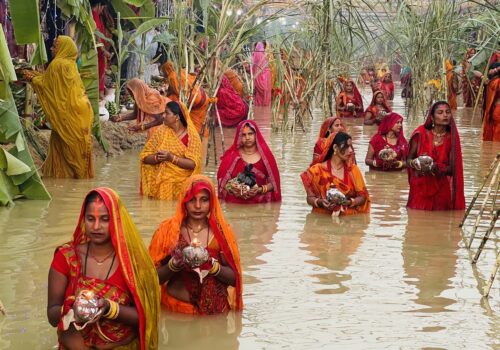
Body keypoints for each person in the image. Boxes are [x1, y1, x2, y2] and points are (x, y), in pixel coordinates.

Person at [47, 188, 160, 349]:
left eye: (105, 219)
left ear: (116, 220)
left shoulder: (134, 263)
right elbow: (52, 315)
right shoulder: (66, 257)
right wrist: (73, 309)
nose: (96, 226)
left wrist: (108, 308)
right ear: (83, 219)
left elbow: (146, 317)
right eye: (90, 218)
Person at [148, 175, 243, 315]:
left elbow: (235, 280)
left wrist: (211, 265)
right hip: (176, 312)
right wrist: (174, 265)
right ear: (183, 201)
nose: (198, 206)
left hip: (215, 315)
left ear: (212, 202)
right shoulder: (168, 231)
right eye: (192, 199)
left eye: (204, 200)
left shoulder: (222, 234)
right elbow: (150, 279)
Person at [25, 35, 93, 179]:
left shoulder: (57, 64)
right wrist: (35, 76)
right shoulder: (71, 63)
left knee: (70, 149)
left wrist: (31, 78)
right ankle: (71, 179)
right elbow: (51, 81)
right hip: (82, 110)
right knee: (73, 146)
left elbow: (47, 86)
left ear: (62, 48)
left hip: (70, 113)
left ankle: (75, 180)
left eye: (55, 46)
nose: (51, 48)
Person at [406, 101, 465, 210]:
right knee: (416, 221)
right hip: (420, 188)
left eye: (448, 112)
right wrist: (414, 163)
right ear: (432, 118)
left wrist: (435, 167)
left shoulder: (451, 139)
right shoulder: (420, 133)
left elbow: (453, 169)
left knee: (441, 223)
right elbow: (408, 160)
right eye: (440, 112)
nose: (445, 115)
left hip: (441, 189)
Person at [140, 101, 202, 200]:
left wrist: (170, 158)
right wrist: (158, 158)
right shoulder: (161, 132)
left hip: (183, 187)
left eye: (167, 113)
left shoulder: (192, 137)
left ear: (177, 117)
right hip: (160, 185)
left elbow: (193, 164)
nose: (163, 116)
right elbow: (145, 157)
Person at [301, 132, 370, 216]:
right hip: (322, 220)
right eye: (346, 146)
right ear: (335, 147)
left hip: (348, 221)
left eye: (351, 146)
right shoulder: (316, 170)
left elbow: (363, 197)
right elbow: (310, 198)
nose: (351, 150)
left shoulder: (353, 170)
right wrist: (320, 202)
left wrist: (348, 202)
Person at [217, 120, 281, 203]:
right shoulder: (232, 155)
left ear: (256, 134)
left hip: (260, 205)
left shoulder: (266, 157)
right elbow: (221, 181)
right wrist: (235, 190)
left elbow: (274, 183)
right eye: (243, 135)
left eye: (250, 134)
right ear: (239, 136)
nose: (247, 138)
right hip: (235, 203)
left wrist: (259, 189)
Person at [161, 61, 210, 134]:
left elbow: (179, 91)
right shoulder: (182, 71)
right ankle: (201, 133)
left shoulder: (172, 76)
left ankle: (192, 135)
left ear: (166, 70)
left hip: (194, 99)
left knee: (171, 100)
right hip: (203, 96)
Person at [91, 0, 112, 100]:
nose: (102, 10)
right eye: (102, 8)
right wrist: (103, 50)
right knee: (98, 74)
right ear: (99, 5)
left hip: (99, 53)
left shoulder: (97, 16)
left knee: (100, 74)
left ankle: (101, 98)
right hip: (98, 52)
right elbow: (96, 33)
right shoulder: (94, 15)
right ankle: (100, 98)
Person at [482, 62, 500, 141]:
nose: (490, 71)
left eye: (492, 69)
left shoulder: (496, 82)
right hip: (494, 109)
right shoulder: (491, 81)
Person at [252, 42, 272, 107]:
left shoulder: (255, 55)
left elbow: (253, 68)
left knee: (258, 97)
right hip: (265, 81)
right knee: (265, 96)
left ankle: (258, 112)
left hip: (257, 80)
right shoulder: (264, 56)